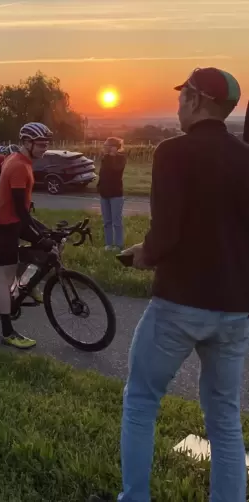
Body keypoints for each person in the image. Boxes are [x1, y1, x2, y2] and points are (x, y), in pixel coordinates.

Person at [92, 68, 249, 502]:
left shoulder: (173, 153)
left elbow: (165, 236)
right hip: (236, 309)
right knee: (224, 417)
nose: (178, 105)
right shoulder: (245, 158)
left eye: (183, 97)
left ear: (197, 100)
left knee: (142, 399)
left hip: (180, 303)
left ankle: (135, 497)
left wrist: (142, 254)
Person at [0, 122, 55, 349]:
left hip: (13, 217)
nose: (44, 148)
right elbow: (19, 209)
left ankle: (26, 283)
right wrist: (36, 233)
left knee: (50, 243)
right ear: (26, 142)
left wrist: (42, 233)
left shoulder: (19, 159)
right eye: (41, 144)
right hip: (5, 222)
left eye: (46, 144)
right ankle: (7, 332)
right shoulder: (18, 166)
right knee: (5, 278)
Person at [97, 137, 127, 251]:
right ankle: (108, 244)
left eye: (108, 145)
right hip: (104, 194)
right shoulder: (105, 158)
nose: (105, 148)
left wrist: (112, 156)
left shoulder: (121, 158)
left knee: (117, 222)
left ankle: (118, 245)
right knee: (107, 221)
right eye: (105, 145)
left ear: (115, 147)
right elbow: (102, 174)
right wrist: (99, 187)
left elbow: (116, 169)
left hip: (116, 194)